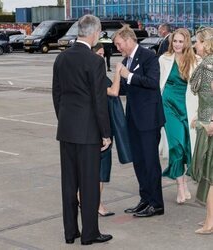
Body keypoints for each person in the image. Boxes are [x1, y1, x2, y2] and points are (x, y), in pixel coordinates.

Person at [52, 14, 113, 245]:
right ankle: (90, 233)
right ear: (94, 32)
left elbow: (56, 94)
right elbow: (99, 101)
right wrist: (105, 133)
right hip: (88, 133)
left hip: (67, 130)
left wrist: (65, 120)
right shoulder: (94, 61)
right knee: (89, 185)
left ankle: (70, 232)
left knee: (69, 183)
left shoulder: (61, 58)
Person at [113, 25, 165, 217]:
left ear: (128, 40)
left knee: (150, 162)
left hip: (149, 119)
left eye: (119, 44)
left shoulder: (148, 56)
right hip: (134, 119)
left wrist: (129, 75)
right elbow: (128, 89)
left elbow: (152, 83)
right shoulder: (127, 59)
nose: (118, 48)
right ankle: (145, 199)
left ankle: (156, 203)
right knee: (139, 162)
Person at [91, 43, 132, 217]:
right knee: (101, 168)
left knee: (96, 167)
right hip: (102, 128)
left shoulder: (95, 74)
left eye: (102, 54)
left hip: (100, 126)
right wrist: (117, 72)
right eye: (98, 54)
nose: (101, 57)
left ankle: (84, 199)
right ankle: (97, 204)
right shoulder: (96, 76)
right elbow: (114, 92)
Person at [159, 28, 199, 204]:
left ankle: (183, 183)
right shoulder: (164, 59)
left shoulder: (196, 61)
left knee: (186, 147)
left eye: (180, 41)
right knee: (176, 146)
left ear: (187, 42)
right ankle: (181, 186)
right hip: (168, 106)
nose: (177, 44)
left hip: (187, 107)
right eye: (174, 41)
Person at [190, 27, 213, 234]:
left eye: (197, 42)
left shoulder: (208, 68)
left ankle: (210, 223)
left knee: (210, 175)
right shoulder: (206, 65)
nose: (194, 45)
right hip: (206, 121)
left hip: (210, 127)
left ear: (206, 45)